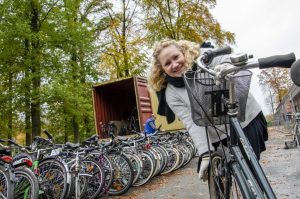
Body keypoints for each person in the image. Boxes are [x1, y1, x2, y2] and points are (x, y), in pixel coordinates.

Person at [148, 39, 268, 181]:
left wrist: (224, 67)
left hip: (245, 119)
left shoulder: (206, 57)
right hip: (217, 134)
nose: (174, 65)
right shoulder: (171, 93)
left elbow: (227, 60)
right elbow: (192, 122)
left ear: (184, 52)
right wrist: (205, 152)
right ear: (162, 69)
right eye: (167, 63)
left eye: (176, 57)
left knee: (251, 172)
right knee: (224, 176)